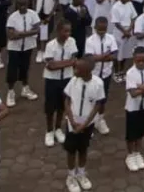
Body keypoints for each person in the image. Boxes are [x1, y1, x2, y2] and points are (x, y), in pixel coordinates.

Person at [63, 57, 105, 192]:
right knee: (71, 150)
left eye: (78, 69)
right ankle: (70, 176)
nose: (75, 70)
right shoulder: (73, 81)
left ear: (87, 71)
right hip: (72, 122)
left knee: (83, 149)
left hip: (87, 123)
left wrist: (85, 124)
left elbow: (97, 105)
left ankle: (81, 173)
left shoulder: (98, 83)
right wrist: (71, 120)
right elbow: (67, 101)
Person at [43, 20, 78, 148]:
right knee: (50, 107)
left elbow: (74, 60)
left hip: (67, 79)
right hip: (52, 80)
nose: (68, 34)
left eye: (69, 31)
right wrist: (68, 62)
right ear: (58, 31)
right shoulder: (50, 45)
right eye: (65, 31)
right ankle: (49, 131)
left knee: (62, 106)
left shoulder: (72, 42)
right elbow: (51, 66)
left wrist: (59, 64)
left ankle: (58, 128)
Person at [124, 46, 144, 172]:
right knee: (131, 133)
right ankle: (130, 155)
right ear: (134, 59)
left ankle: (137, 153)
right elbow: (133, 93)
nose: (141, 63)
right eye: (139, 61)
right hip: (133, 108)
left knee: (141, 131)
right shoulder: (130, 73)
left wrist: (141, 86)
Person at [5, 0, 41, 107]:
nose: (22, 7)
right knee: (12, 69)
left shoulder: (33, 14)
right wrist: (29, 32)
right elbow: (11, 35)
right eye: (20, 4)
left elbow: (37, 30)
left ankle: (25, 88)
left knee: (25, 67)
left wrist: (20, 33)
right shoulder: (12, 17)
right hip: (14, 48)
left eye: (24, 4)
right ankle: (10, 92)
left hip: (28, 47)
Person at [83, 16, 117, 134]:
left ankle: (100, 120)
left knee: (102, 99)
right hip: (93, 75)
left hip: (106, 74)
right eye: (99, 30)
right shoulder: (90, 41)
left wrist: (100, 57)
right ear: (95, 28)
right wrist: (105, 55)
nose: (102, 32)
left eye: (104, 30)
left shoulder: (111, 38)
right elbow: (90, 58)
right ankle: (89, 123)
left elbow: (114, 56)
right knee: (91, 99)